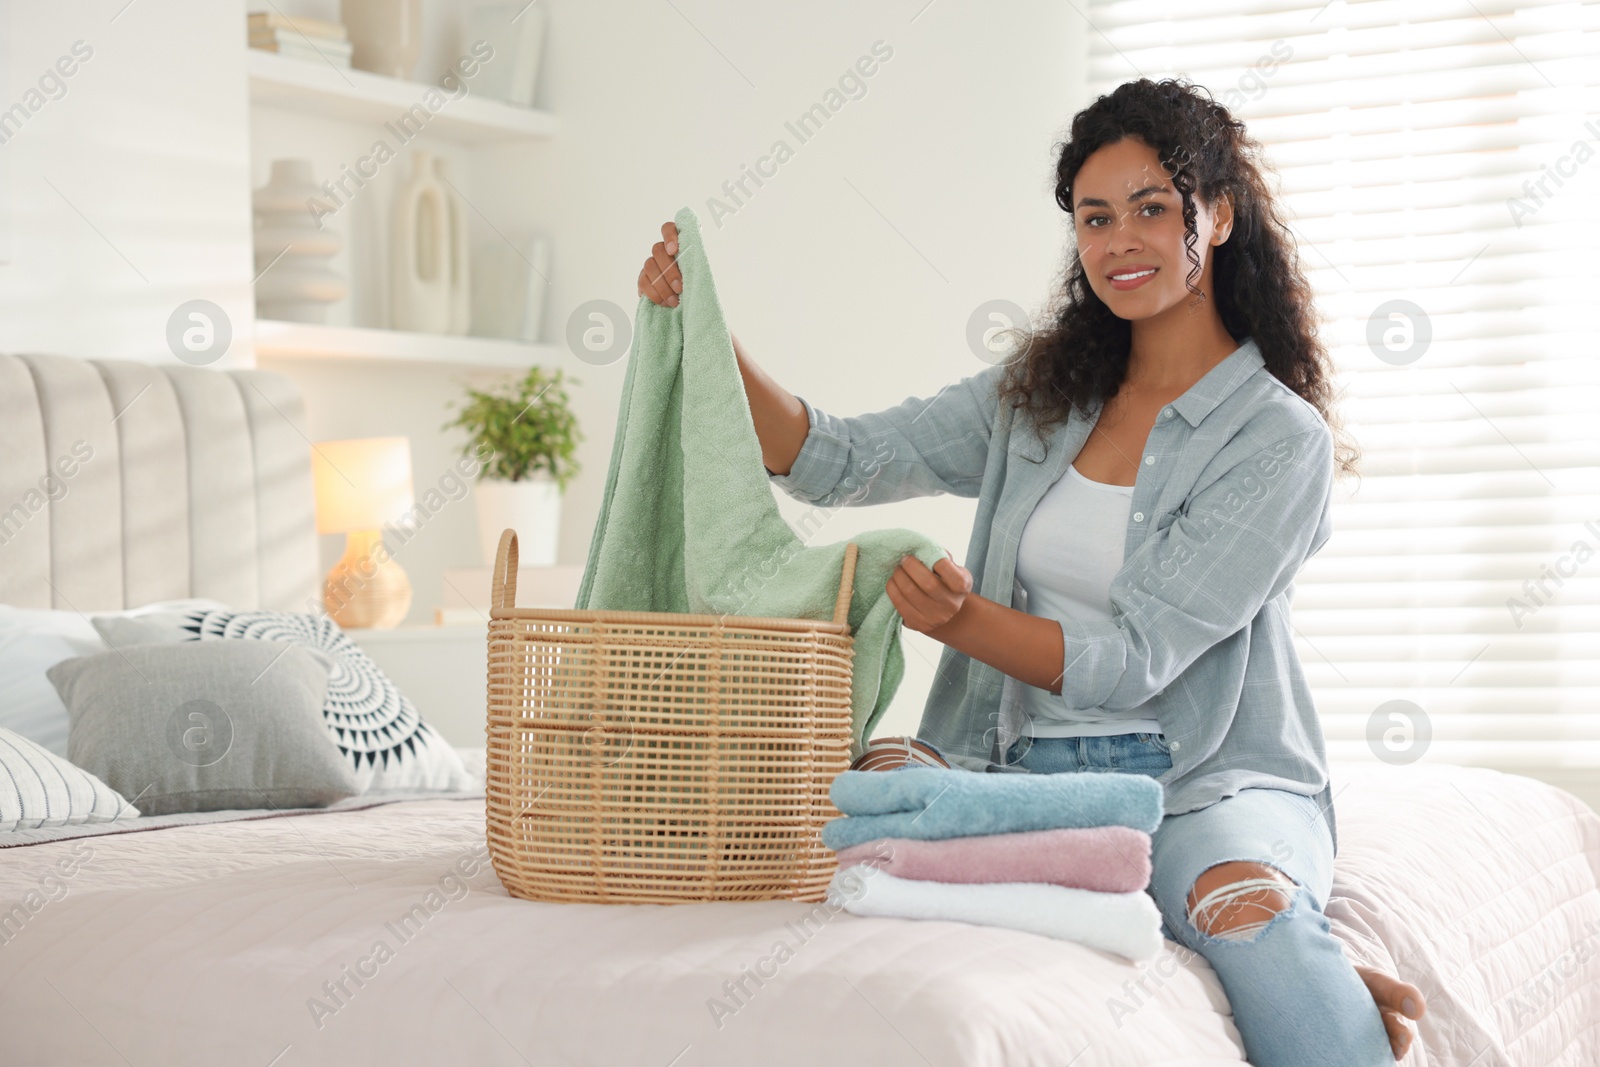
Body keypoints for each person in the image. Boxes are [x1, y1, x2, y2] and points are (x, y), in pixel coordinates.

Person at [638, 76, 1426, 1067]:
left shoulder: (1277, 439)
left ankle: (1271, 952)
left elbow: (1138, 653)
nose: (1119, 241)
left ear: (1216, 216)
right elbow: (836, 458)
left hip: (1202, 784)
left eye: (1150, 208)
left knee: (1241, 909)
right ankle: (1262, 958)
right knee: (855, 795)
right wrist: (706, 328)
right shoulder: (1039, 396)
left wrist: (961, 622)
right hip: (1012, 769)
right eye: (1095, 218)